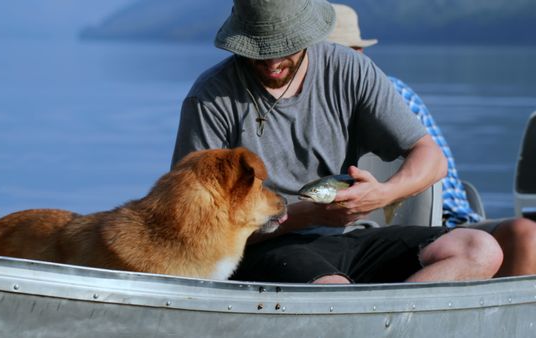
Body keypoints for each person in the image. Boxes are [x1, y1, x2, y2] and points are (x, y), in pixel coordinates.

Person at [171, 0, 503, 284]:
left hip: (345, 239)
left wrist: (383, 194)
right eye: (259, 51)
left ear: (305, 34)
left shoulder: (350, 68)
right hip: (260, 247)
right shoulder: (210, 98)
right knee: (332, 289)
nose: (272, 63)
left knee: (479, 250)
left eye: (284, 48)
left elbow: (432, 158)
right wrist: (305, 215)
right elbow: (196, 228)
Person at [326, 3, 536, 277]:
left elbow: (438, 168)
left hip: (450, 223)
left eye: (347, 53)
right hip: (374, 234)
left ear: (360, 53)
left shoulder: (394, 92)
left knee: (527, 235)